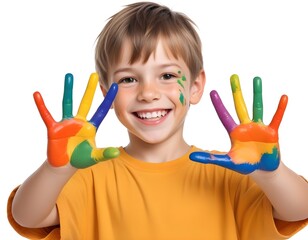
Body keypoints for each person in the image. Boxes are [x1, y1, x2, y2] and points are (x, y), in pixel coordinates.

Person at [7, 2, 308, 239]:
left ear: (195, 86)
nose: (148, 93)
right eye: (128, 79)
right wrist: (57, 170)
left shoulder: (228, 172)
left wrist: (270, 173)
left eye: (166, 75)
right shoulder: (89, 176)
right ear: (106, 94)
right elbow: (27, 216)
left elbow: (299, 209)